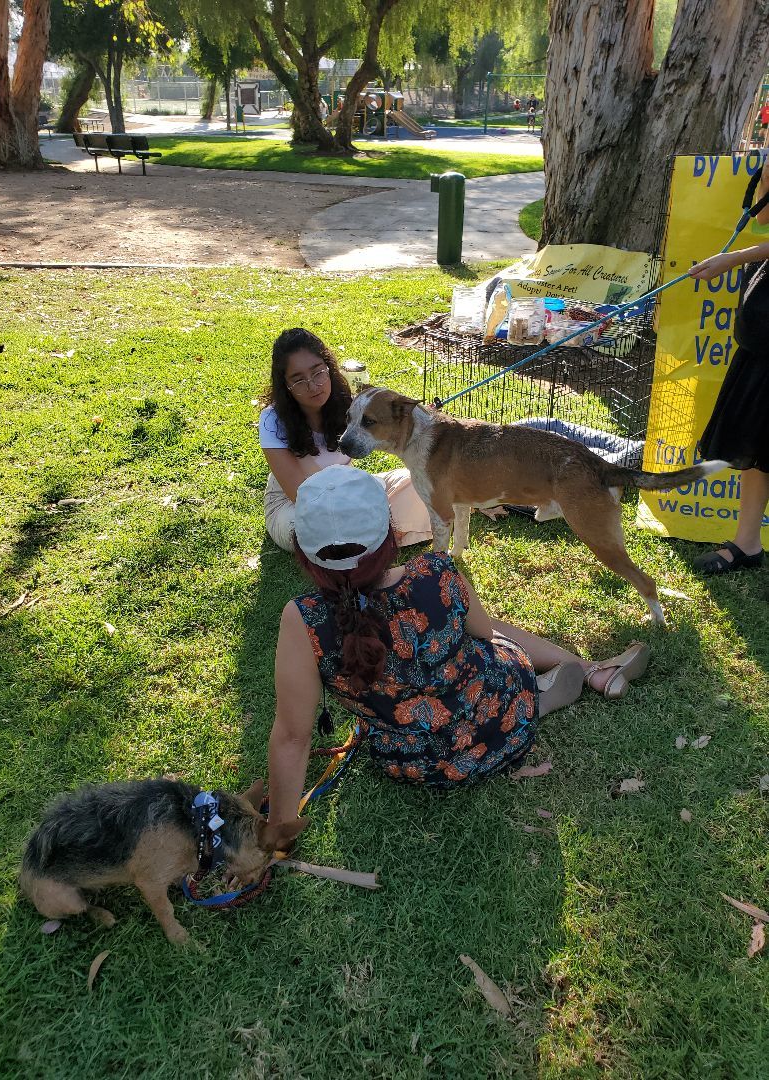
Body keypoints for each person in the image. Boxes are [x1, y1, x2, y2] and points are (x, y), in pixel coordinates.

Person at [265, 467, 650, 823]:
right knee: (491, 636)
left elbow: (292, 737)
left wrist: (279, 829)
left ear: (305, 553)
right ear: (390, 534)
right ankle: (578, 675)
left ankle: (551, 692)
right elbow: (485, 633)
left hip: (414, 761)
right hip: (489, 715)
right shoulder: (435, 571)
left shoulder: (303, 619)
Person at [259, 327, 432, 552]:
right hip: (296, 507)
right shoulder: (273, 420)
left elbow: (389, 427)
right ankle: (377, 534)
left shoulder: (350, 405)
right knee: (317, 528)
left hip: (351, 491)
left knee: (418, 483)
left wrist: (411, 417)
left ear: (329, 368)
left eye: (318, 372)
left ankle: (367, 536)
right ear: (286, 386)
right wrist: (364, 505)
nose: (313, 385)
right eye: (298, 380)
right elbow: (300, 496)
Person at [688, 159, 769, 574]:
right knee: (756, 445)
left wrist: (734, 258)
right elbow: (764, 216)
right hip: (762, 348)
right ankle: (747, 545)